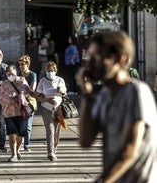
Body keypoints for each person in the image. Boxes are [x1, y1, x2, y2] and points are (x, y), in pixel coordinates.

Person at [77, 31, 157, 182]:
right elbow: (85, 140)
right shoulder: (104, 96)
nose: (90, 62)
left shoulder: (136, 92)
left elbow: (130, 149)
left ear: (120, 59)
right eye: (89, 56)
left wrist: (102, 181)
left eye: (97, 56)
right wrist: (86, 95)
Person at [35, 61, 67, 161]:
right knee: (50, 130)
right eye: (48, 71)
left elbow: (64, 93)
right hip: (46, 108)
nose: (50, 72)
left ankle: (55, 149)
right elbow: (38, 96)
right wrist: (46, 100)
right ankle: (50, 152)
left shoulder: (60, 80)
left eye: (52, 71)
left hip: (58, 109)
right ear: (46, 71)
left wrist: (60, 91)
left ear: (55, 71)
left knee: (56, 131)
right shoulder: (42, 81)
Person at [0, 65, 30, 162]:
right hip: (9, 112)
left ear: (16, 72)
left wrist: (21, 97)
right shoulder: (4, 84)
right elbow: (0, 98)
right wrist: (10, 100)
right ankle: (13, 154)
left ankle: (17, 149)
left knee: (21, 134)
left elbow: (28, 92)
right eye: (8, 74)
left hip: (21, 112)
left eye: (12, 73)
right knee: (11, 133)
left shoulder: (22, 81)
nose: (10, 75)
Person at [18, 55, 37, 151]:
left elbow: (32, 89)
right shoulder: (17, 74)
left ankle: (26, 145)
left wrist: (23, 89)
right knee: (20, 124)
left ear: (27, 64)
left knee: (28, 125)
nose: (20, 66)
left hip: (29, 102)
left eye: (22, 64)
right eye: (19, 64)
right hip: (19, 101)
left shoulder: (32, 75)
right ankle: (19, 144)